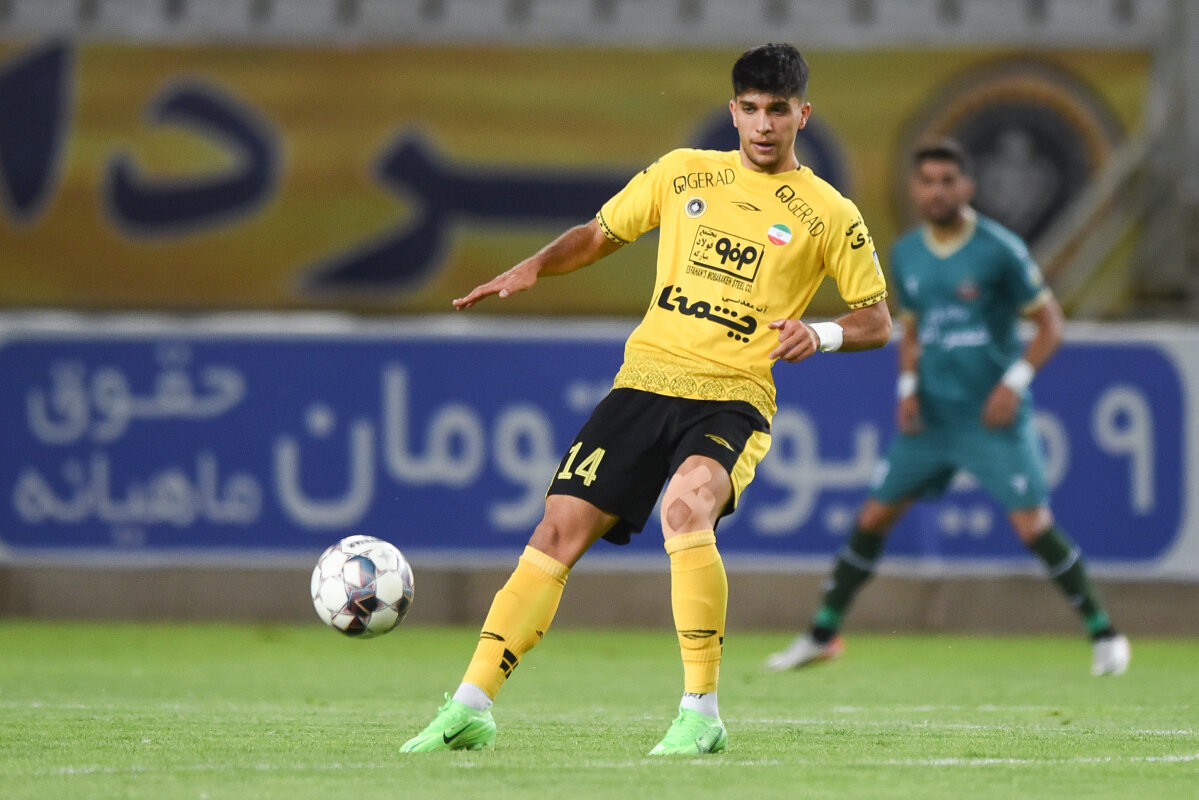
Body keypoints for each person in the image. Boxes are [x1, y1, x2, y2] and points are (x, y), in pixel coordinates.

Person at [399, 43, 891, 755]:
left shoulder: (828, 213)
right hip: (643, 382)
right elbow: (600, 235)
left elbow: (876, 320)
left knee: (684, 510)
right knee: (556, 531)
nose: (763, 125)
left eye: (778, 111)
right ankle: (471, 704)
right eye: (751, 109)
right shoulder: (681, 171)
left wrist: (819, 333)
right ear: (732, 111)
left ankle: (701, 714)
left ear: (802, 115)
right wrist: (536, 265)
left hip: (732, 396)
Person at [764, 138, 1131, 677]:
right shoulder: (907, 252)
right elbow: (912, 329)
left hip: (990, 419)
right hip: (932, 419)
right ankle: (822, 634)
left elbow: (1050, 324)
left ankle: (1105, 634)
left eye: (947, 181)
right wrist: (907, 388)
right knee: (873, 516)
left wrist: (1015, 382)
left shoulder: (999, 249)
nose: (936, 192)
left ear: (967, 187)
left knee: (1033, 525)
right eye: (927, 182)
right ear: (915, 189)